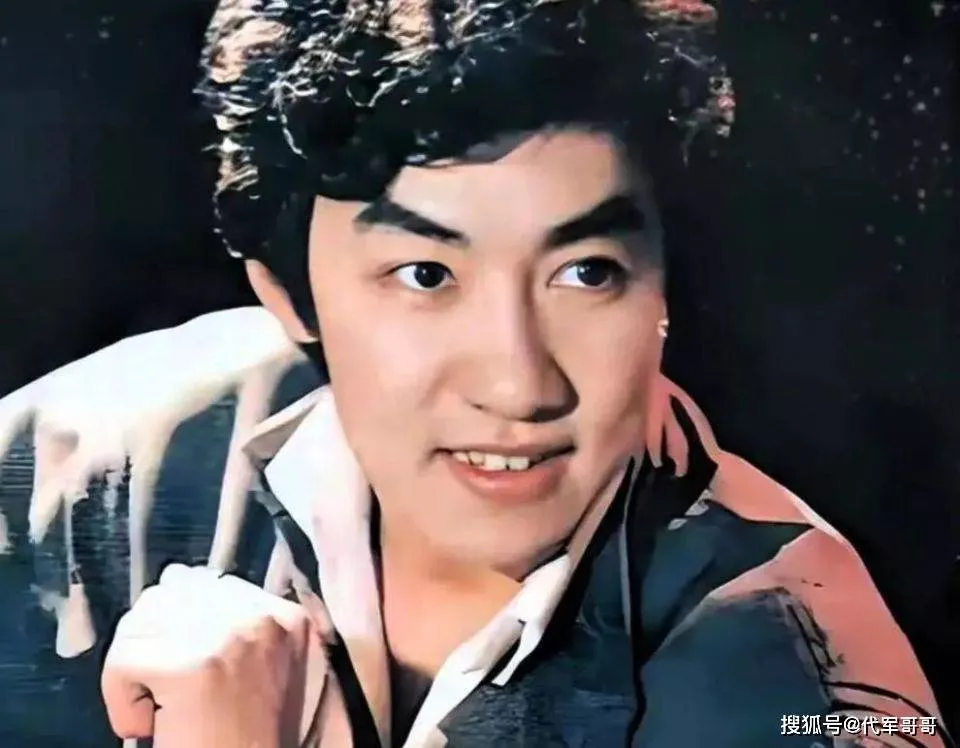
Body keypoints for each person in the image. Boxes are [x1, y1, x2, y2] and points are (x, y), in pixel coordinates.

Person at [0, 0, 949, 746]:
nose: (520, 385)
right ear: (290, 297)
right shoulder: (94, 463)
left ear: (665, 285)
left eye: (587, 273)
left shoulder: (800, 680)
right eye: (426, 275)